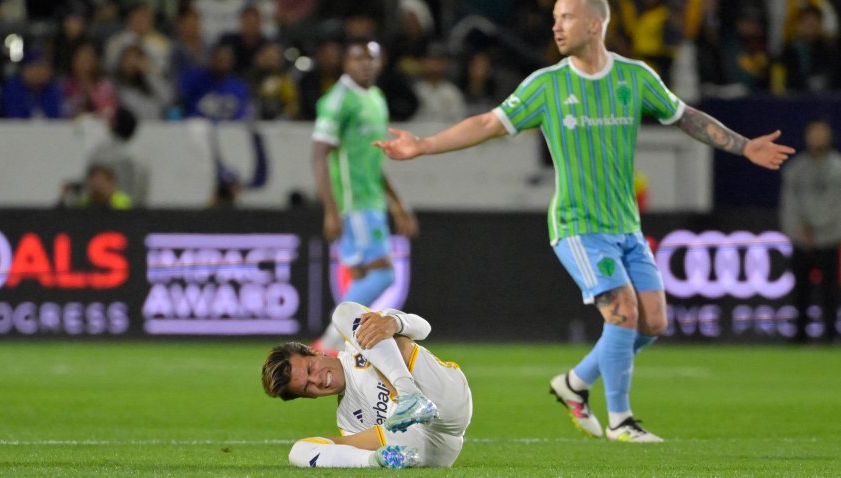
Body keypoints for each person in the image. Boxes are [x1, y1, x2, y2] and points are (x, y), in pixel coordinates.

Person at [374, 0, 795, 443]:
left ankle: (575, 383)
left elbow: (685, 117)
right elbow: (487, 122)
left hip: (626, 226)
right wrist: (424, 145)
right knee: (624, 314)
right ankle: (621, 420)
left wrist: (744, 145)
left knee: (653, 323)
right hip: (578, 226)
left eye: (566, 18)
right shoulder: (547, 84)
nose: (555, 26)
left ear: (595, 24)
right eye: (554, 18)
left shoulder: (635, 78)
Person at [261, 301, 470, 468]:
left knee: (345, 314)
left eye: (310, 368)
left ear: (316, 352)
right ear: (310, 397)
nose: (316, 380)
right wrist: (373, 459)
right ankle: (378, 461)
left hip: (446, 400)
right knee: (298, 452)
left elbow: (424, 328)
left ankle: (409, 394)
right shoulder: (348, 421)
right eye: (307, 387)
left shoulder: (358, 339)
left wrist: (394, 323)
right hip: (432, 453)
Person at [310, 39, 418, 353]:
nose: (365, 64)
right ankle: (331, 341)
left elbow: (374, 159)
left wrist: (397, 202)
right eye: (357, 58)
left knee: (360, 276)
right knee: (383, 273)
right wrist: (331, 209)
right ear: (345, 63)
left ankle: (340, 344)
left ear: (380, 62)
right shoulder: (337, 100)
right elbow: (319, 156)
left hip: (372, 198)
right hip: (354, 202)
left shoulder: (376, 98)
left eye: (371, 58)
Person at [779, 120, 841, 344]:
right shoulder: (796, 169)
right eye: (813, 134)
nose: (816, 139)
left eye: (821, 134)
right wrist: (798, 229)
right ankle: (799, 337)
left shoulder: (837, 168)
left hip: (828, 239)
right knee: (800, 292)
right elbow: (789, 204)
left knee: (830, 292)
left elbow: (836, 207)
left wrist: (819, 228)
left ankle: (831, 336)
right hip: (801, 240)